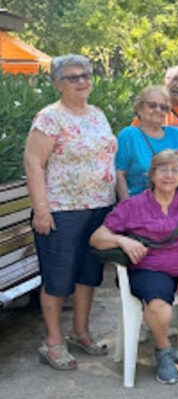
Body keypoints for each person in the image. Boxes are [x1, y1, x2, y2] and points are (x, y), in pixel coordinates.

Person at [90, 150, 178, 384]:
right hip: (150, 268)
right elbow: (97, 238)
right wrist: (122, 240)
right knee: (159, 305)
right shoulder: (133, 206)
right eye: (163, 169)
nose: (169, 176)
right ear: (152, 174)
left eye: (175, 170)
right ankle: (164, 351)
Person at [24, 54, 116, 370]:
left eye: (86, 75)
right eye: (72, 77)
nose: (81, 81)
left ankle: (80, 332)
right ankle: (53, 342)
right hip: (61, 210)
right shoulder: (49, 118)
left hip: (99, 207)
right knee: (57, 278)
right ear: (57, 83)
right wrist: (41, 209)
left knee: (88, 275)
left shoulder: (98, 114)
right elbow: (33, 163)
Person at [116, 86, 178, 200]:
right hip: (138, 205)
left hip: (171, 206)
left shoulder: (176, 135)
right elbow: (119, 175)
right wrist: (127, 208)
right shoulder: (129, 135)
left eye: (163, 107)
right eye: (152, 105)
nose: (158, 110)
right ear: (139, 108)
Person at [130, 65, 178, 144]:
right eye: (174, 79)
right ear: (164, 82)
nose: (177, 85)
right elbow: (133, 137)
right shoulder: (151, 109)